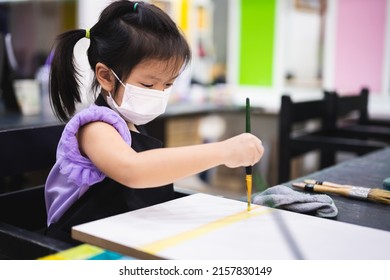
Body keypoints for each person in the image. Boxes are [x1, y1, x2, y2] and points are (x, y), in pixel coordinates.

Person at [44, 0, 264, 244]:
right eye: (149, 84)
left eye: (168, 85)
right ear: (106, 76)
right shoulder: (94, 127)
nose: (159, 92)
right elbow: (134, 170)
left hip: (126, 235)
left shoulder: (131, 123)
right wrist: (223, 151)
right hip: (76, 249)